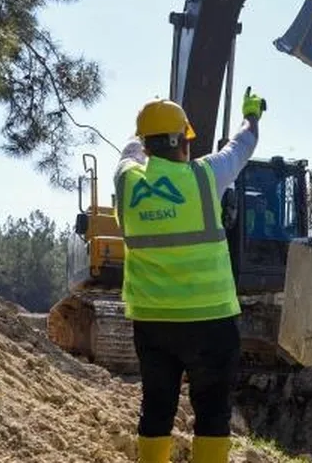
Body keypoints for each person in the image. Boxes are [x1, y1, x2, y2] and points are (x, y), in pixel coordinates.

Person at [115, 87, 266, 463]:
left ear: (147, 146)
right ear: (184, 141)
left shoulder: (126, 183)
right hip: (211, 320)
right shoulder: (205, 178)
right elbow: (242, 145)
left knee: (156, 408)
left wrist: (146, 122)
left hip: (153, 322)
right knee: (213, 413)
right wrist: (252, 115)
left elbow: (127, 153)